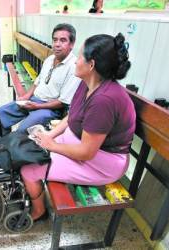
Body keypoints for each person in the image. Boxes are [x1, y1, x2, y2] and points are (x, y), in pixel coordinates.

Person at [20, 33, 136, 221]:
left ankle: (39, 212)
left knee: (29, 168)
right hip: (77, 144)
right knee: (29, 146)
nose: (75, 61)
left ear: (91, 65)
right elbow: (71, 116)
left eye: (80, 56)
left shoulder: (104, 100)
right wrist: (50, 134)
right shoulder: (87, 83)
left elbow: (86, 152)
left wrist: (52, 145)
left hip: (101, 163)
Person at [0, 23, 80, 133]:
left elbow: (62, 102)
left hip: (50, 109)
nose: (57, 44)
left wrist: (37, 106)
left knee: (22, 130)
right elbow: (38, 81)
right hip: (34, 100)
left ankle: (14, 145)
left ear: (72, 44)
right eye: (55, 40)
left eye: (63, 40)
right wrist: (26, 96)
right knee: (1, 113)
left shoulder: (73, 67)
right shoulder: (50, 59)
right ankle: (2, 145)